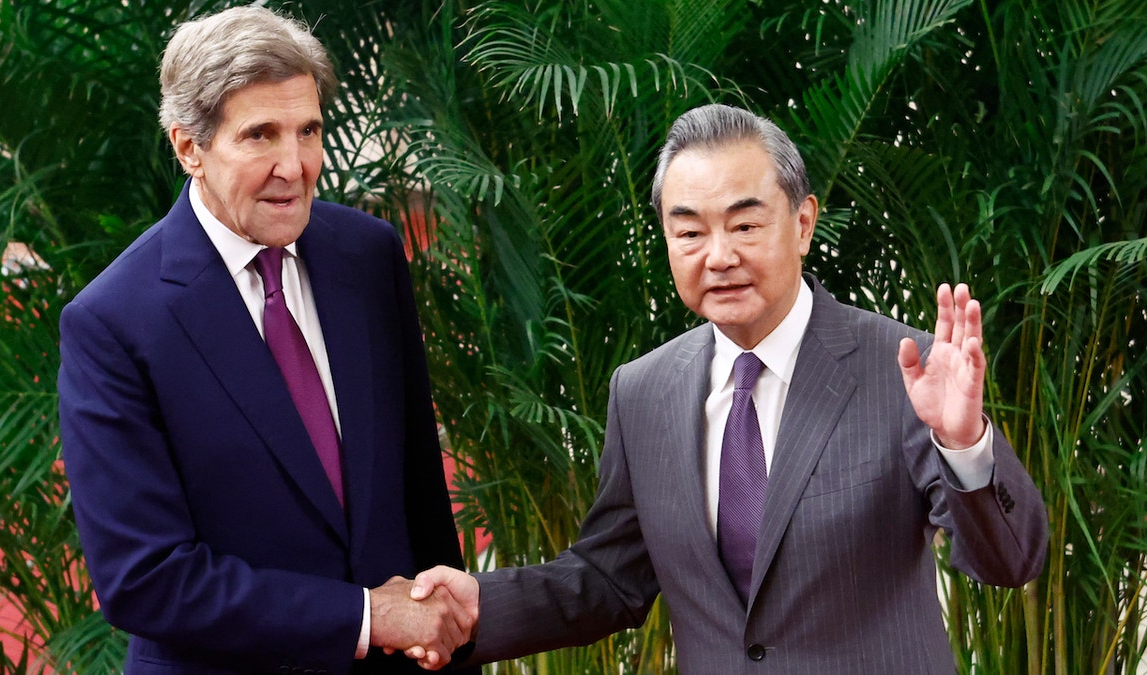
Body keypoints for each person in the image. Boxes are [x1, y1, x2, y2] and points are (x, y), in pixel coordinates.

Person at [412, 103, 1048, 672]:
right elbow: (611, 578)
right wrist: (478, 607)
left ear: (802, 224)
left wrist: (963, 443)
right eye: (689, 232)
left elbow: (1008, 562)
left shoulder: (903, 367)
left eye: (745, 226)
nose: (717, 256)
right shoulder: (643, 392)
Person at [57, 6, 475, 673]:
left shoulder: (367, 256)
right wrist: (365, 615)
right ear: (188, 146)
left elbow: (421, 496)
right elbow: (146, 578)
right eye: (261, 135)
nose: (296, 165)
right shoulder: (112, 323)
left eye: (308, 131)